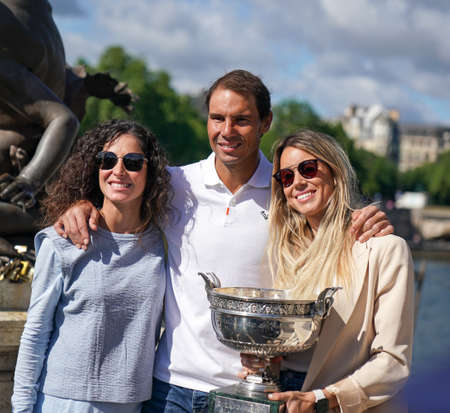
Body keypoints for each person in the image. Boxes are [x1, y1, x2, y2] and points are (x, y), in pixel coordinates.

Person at [54, 70, 394, 413]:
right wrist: (80, 205)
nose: (227, 131)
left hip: (251, 393)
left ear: (265, 122)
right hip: (170, 388)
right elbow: (116, 190)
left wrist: (364, 216)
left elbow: (327, 216)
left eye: (242, 120)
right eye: (218, 118)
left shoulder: (286, 190)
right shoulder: (175, 184)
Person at [242, 129, 414, 412]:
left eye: (308, 169)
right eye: (286, 177)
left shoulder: (384, 249)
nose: (297, 182)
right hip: (284, 399)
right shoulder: (283, 253)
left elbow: (393, 362)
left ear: (334, 173)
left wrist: (323, 398)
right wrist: (265, 360)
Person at [12, 119, 171, 413]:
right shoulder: (61, 241)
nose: (119, 171)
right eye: (107, 160)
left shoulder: (164, 244)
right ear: (94, 168)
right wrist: (21, 408)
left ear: (152, 173)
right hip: (64, 403)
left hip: (134, 405)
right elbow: (36, 332)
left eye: (133, 162)